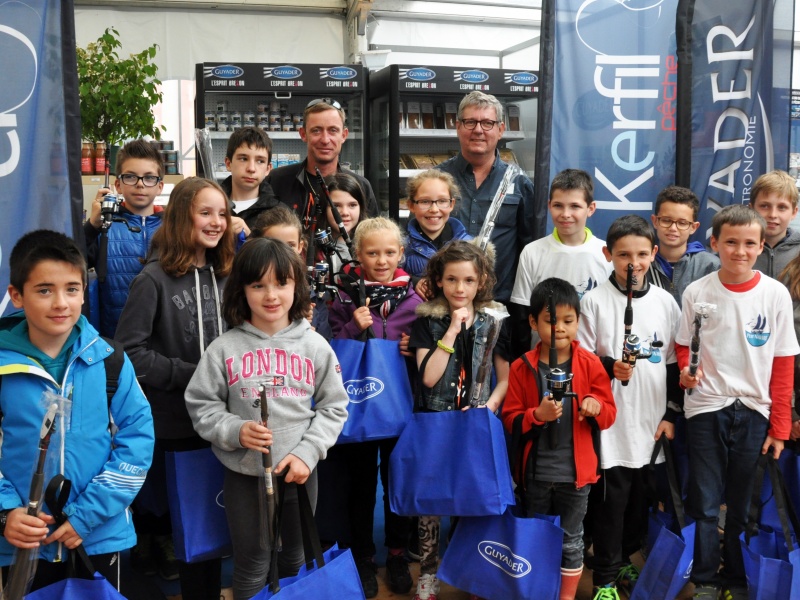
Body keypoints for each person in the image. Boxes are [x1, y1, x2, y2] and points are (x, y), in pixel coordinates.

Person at [184, 237, 349, 600]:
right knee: (252, 562)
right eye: (258, 285)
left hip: (299, 474)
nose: (270, 295)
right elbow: (201, 404)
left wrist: (308, 453)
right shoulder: (223, 348)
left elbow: (334, 407)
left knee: (296, 557)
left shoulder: (315, 345)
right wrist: (234, 429)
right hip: (245, 477)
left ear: (297, 287)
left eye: (281, 283)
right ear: (241, 290)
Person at [0, 229, 154, 592]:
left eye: (72, 289)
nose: (60, 303)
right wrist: (6, 513)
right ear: (16, 296)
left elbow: (138, 438)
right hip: (23, 540)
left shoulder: (110, 360)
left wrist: (88, 515)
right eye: (44, 290)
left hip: (98, 536)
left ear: (84, 293)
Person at [115, 177, 235, 600]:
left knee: (220, 520)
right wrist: (192, 374)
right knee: (191, 529)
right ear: (182, 215)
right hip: (177, 423)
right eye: (206, 212)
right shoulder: (152, 279)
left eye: (222, 213)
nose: (217, 222)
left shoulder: (230, 274)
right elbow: (129, 351)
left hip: (227, 420)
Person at [677, 204, 799, 599]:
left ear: (762, 246)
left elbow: (782, 367)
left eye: (749, 244)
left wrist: (779, 427)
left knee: (744, 505)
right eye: (731, 242)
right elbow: (684, 348)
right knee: (706, 503)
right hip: (705, 409)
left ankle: (736, 579)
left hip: (755, 414)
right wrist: (686, 372)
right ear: (714, 244)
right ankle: (707, 580)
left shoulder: (775, 294)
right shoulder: (697, 292)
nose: (740, 251)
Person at [577, 215, 681, 600]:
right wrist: (609, 367)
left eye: (641, 254)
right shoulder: (593, 301)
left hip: (652, 424)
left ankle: (623, 561)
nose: (632, 263)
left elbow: (672, 363)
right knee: (610, 505)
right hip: (611, 426)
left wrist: (671, 414)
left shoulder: (667, 302)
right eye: (623, 255)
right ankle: (604, 578)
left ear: (654, 254)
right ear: (608, 255)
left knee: (640, 501)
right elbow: (581, 360)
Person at [408, 240, 511, 600]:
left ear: (481, 281)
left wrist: (489, 406)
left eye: (468, 280)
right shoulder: (428, 321)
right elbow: (429, 377)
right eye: (451, 280)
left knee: (474, 497)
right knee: (431, 502)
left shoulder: (496, 320)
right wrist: (451, 330)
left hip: (477, 424)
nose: (459, 288)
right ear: (439, 280)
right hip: (435, 423)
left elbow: (505, 377)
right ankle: (429, 573)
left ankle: (471, 571)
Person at [502, 277, 616, 600]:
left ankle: (565, 597)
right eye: (551, 321)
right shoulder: (522, 367)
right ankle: (538, 590)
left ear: (579, 322)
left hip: (576, 475)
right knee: (537, 535)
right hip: (535, 474)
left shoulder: (591, 364)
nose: (560, 328)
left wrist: (594, 407)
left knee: (570, 538)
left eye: (569, 321)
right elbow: (511, 419)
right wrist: (536, 416)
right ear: (533, 322)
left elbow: (609, 414)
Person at [325, 217, 421, 598]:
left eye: (389, 252)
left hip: (399, 410)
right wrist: (351, 327)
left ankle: (397, 553)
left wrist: (414, 348)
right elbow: (328, 348)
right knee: (359, 486)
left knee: (397, 483)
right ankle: (363, 556)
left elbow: (429, 353)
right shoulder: (343, 297)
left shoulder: (416, 301)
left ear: (401, 253)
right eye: (372, 253)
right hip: (359, 409)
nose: (381, 260)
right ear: (358, 256)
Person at [436, 91, 536, 304]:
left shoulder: (519, 182)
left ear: (500, 130)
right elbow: (417, 239)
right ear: (458, 126)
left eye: (487, 123)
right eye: (470, 122)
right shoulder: (436, 179)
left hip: (499, 304)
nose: (478, 130)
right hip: (444, 304)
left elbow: (529, 248)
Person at [509, 168, 611, 358]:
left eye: (575, 206)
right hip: (541, 362)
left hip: (593, 362)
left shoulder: (606, 254)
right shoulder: (532, 252)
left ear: (591, 208)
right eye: (558, 205)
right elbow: (521, 315)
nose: (565, 214)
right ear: (549, 206)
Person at [84, 139, 165, 338]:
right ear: (118, 185)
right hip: (114, 338)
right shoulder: (104, 227)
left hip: (163, 339)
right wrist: (91, 227)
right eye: (131, 177)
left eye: (149, 178)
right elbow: (69, 265)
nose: (139, 184)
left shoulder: (173, 228)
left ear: (160, 186)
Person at [267, 98, 378, 229]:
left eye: (333, 130)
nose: (325, 140)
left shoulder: (361, 186)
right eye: (316, 130)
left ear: (344, 135)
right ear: (303, 134)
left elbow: (372, 238)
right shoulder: (276, 181)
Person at [250, 204, 332, 340]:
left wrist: (311, 334)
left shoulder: (312, 293)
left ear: (300, 246)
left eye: (290, 245)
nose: (282, 252)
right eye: (275, 243)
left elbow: (325, 342)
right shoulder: (248, 285)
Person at [646, 185, 720, 307]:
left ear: (693, 227)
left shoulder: (711, 266)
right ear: (655, 221)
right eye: (666, 220)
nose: (673, 228)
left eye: (682, 223)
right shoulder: (642, 263)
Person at [404, 169, 471, 279]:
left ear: (451, 204)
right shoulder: (402, 249)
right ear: (411, 205)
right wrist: (414, 282)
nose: (434, 209)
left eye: (442, 201)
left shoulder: (470, 246)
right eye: (425, 201)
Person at [220, 126, 280, 239]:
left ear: (268, 169)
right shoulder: (212, 208)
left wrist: (250, 238)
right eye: (243, 159)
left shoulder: (279, 215)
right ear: (228, 164)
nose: (251, 168)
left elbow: (282, 255)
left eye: (260, 161)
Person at [749, 169, 800, 278]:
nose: (772, 214)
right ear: (751, 209)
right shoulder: (737, 250)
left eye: (782, 207)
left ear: (794, 212)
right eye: (764, 206)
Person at [317, 172, 366, 275]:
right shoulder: (311, 251)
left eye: (352, 205)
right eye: (336, 206)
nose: (344, 213)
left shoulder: (370, 246)